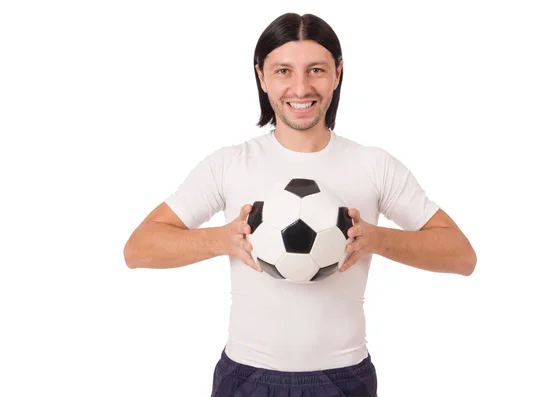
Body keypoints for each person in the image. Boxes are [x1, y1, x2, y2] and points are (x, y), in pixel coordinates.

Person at [123, 12, 477, 397]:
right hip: (248, 375)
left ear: (337, 73)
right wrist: (222, 240)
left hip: (342, 377)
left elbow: (461, 257)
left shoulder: (373, 165)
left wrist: (375, 239)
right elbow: (138, 249)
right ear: (261, 76)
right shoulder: (230, 164)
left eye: (316, 70)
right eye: (283, 71)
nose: (301, 87)